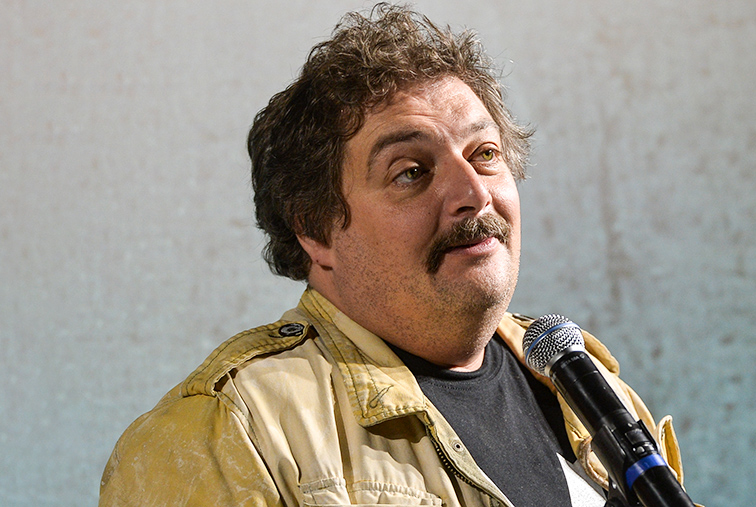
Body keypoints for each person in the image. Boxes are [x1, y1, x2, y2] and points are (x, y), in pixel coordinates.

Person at [99, 4, 690, 506]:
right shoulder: (230, 432)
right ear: (315, 229)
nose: (472, 192)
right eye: (411, 171)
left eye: (484, 154)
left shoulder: (586, 388)